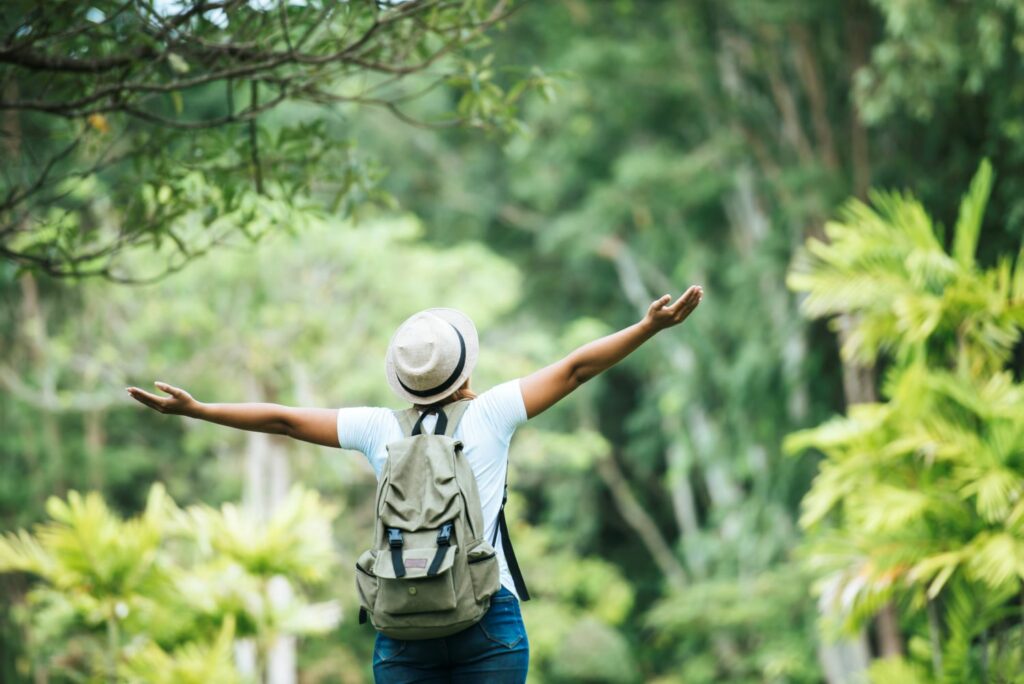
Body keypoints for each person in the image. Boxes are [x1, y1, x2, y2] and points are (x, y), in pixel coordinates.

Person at [126, 285, 703, 683]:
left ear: (403, 381)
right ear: (465, 369)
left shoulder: (377, 428)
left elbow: (283, 418)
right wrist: (648, 327)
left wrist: (199, 409)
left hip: (403, 621)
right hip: (487, 615)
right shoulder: (492, 413)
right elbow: (577, 367)